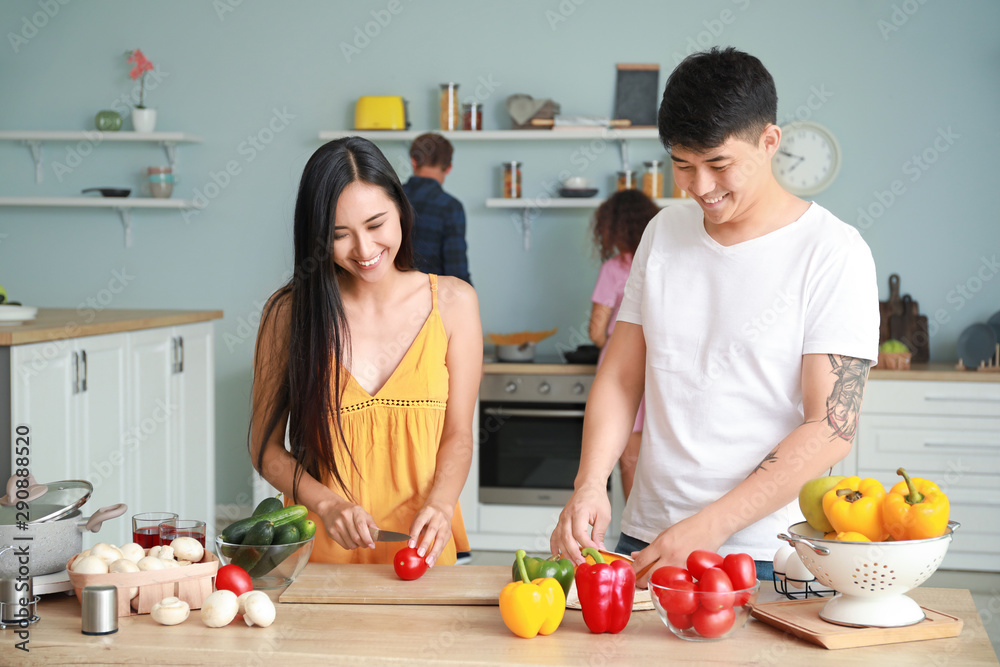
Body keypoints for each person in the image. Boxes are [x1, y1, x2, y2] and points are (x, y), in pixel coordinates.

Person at [550, 47, 879, 585]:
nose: (699, 186)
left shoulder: (833, 251)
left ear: (769, 141)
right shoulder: (662, 233)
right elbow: (621, 374)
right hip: (647, 538)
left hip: (765, 554)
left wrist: (710, 526)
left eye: (718, 164)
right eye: (682, 165)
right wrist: (590, 482)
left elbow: (832, 426)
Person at [249, 136, 482, 568]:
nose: (365, 250)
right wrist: (327, 504)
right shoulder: (288, 314)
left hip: (422, 555)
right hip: (321, 560)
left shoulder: (454, 303)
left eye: (376, 225)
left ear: (401, 209)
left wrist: (443, 504)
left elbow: (458, 436)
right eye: (340, 235)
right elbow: (264, 448)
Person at [588, 190, 660, 501]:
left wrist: (615, 348)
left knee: (628, 457)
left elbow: (596, 331)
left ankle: (634, 534)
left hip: (620, 366)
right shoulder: (665, 259)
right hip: (658, 364)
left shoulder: (614, 269)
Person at [402, 133, 472, 284]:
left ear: (413, 161)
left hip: (388, 298)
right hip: (432, 300)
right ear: (448, 168)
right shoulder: (450, 207)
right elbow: (456, 271)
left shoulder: (390, 197)